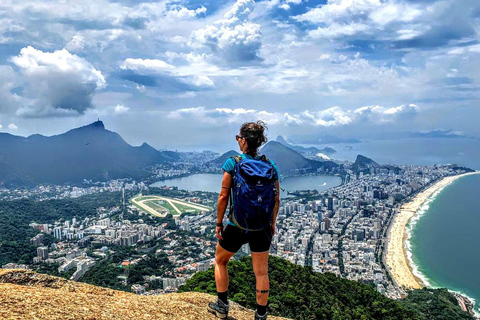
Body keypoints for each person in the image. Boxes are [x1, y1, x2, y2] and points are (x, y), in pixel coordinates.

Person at [208, 121, 280, 320]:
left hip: (237, 224)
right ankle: (261, 314)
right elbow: (276, 199)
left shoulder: (233, 162)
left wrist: (218, 222)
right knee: (261, 272)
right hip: (262, 226)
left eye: (239, 138)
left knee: (221, 261)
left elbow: (223, 196)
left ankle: (222, 306)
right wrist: (271, 223)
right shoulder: (271, 165)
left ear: (244, 141)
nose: (238, 141)